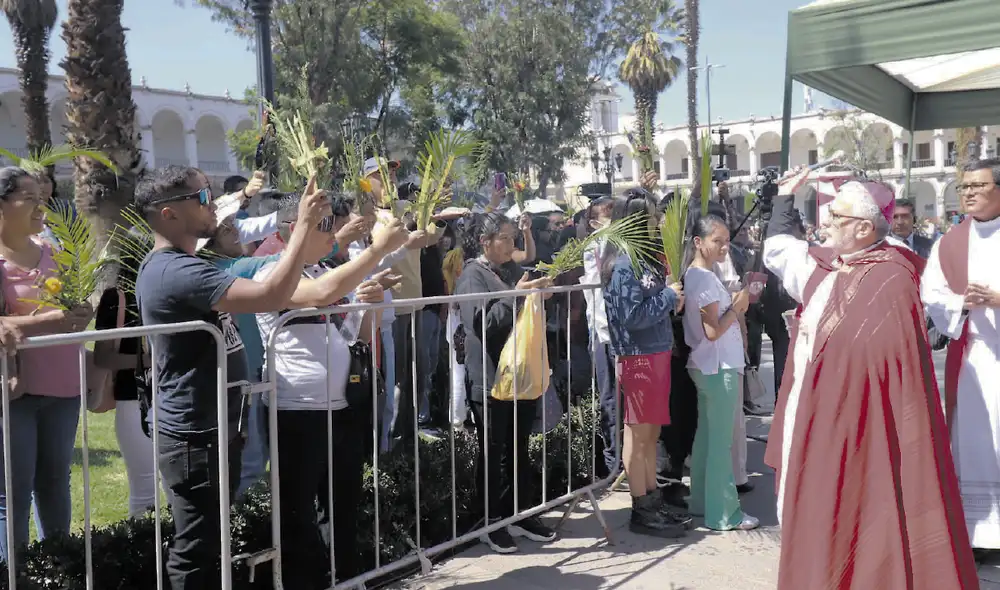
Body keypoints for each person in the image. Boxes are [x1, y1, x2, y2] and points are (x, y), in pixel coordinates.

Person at [763, 169, 978, 589]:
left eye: (836, 217)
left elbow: (890, 363)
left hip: (864, 424)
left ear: (863, 228)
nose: (825, 223)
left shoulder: (893, 277)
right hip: (814, 413)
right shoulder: (826, 267)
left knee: (862, 510)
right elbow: (779, 251)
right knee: (812, 510)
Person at [133, 165, 327, 589]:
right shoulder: (175, 271)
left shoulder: (185, 264)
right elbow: (270, 295)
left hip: (214, 426)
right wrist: (303, 229)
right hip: (194, 433)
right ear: (169, 214)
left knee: (209, 539)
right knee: (196, 547)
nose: (215, 207)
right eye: (202, 198)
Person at [254, 193, 406, 587]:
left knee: (341, 507)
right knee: (298, 512)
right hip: (296, 411)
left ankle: (346, 577)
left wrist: (363, 303)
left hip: (339, 408)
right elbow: (319, 296)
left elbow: (347, 335)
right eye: (324, 225)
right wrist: (375, 250)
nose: (333, 232)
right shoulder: (270, 274)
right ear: (293, 228)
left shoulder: (322, 269)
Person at [0, 167, 92, 561]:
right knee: (14, 491)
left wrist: (81, 312)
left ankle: (58, 570)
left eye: (43, 197)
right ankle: (15, 574)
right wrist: (48, 321)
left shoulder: (55, 251)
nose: (42, 206)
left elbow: (72, 307)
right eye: (30, 197)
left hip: (63, 386)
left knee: (55, 483)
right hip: (13, 393)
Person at [455, 212, 557, 554]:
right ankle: (491, 521)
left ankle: (520, 514)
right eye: (506, 238)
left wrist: (538, 293)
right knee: (494, 451)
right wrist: (516, 296)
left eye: (514, 238)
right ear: (485, 242)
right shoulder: (472, 275)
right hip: (490, 377)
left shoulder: (510, 269)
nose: (513, 245)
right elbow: (482, 324)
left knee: (518, 449)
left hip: (519, 376)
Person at [922, 158, 1000, 555]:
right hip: (974, 361)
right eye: (964, 186)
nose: (968, 193)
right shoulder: (951, 241)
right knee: (974, 443)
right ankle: (979, 534)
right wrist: (960, 302)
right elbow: (930, 292)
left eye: (978, 185)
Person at [601, 191, 689, 538]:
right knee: (639, 438)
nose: (658, 223)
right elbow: (632, 316)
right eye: (652, 217)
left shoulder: (640, 259)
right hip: (639, 357)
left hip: (654, 354)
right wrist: (669, 295)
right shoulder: (623, 265)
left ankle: (652, 497)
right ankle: (642, 507)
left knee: (650, 435)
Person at [681, 213, 759, 532]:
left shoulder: (701, 275)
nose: (725, 247)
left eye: (727, 241)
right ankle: (724, 513)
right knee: (719, 443)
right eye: (718, 241)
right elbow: (712, 330)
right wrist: (738, 306)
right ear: (699, 242)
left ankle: (702, 502)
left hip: (710, 366)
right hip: (718, 367)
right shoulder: (702, 278)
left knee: (707, 439)